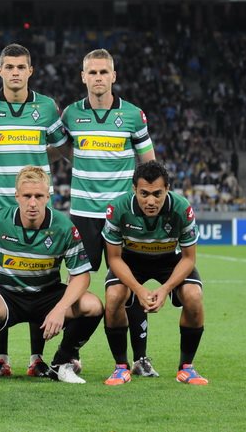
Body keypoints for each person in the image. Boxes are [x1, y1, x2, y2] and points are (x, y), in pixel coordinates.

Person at [0, 166, 103, 384]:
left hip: (47, 295)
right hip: (7, 295)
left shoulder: (64, 227)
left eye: (38, 196)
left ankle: (62, 362)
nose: (32, 203)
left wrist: (60, 309)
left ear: (48, 196)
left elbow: (81, 275)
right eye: (27, 196)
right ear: (17, 196)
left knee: (92, 305)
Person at [0, 43, 69, 379]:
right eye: (9, 67)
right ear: (0, 70)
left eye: (21, 67)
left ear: (30, 71)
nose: (15, 72)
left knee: (40, 282)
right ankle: (1, 358)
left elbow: (60, 148)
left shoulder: (47, 108)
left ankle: (37, 358)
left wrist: (35, 164)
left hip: (35, 208)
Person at [60, 48, 157, 376]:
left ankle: (140, 358)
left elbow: (149, 165)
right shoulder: (71, 115)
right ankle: (71, 354)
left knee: (129, 284)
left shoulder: (133, 115)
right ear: (83, 77)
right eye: (92, 72)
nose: (98, 77)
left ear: (113, 76)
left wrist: (146, 206)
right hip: (83, 214)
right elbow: (61, 149)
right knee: (77, 284)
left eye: (104, 72)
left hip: (123, 217)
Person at [102, 161, 207, 385]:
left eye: (157, 194)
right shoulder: (118, 208)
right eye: (144, 194)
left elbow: (189, 258)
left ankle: (186, 368)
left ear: (167, 189)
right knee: (114, 296)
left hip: (169, 260)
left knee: (194, 296)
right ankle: (121, 367)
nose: (151, 201)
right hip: (130, 260)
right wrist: (138, 290)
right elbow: (114, 258)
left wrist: (166, 288)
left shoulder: (182, 208)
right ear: (134, 189)